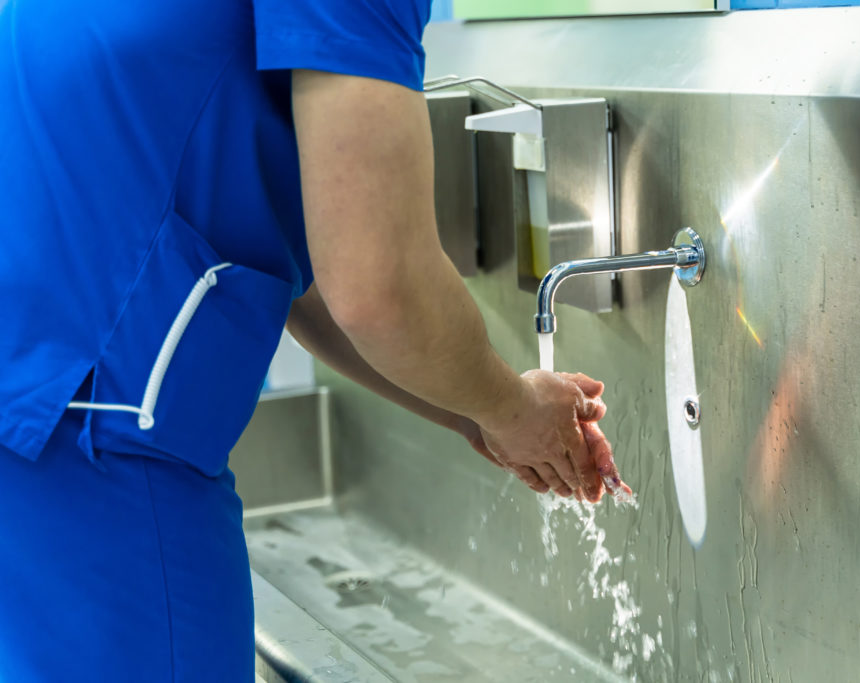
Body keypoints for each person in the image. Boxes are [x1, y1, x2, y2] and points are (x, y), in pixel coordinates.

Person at [0, 0, 627, 679]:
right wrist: (510, 409)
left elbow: (314, 280)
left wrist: (480, 409)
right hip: (92, 449)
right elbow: (379, 284)